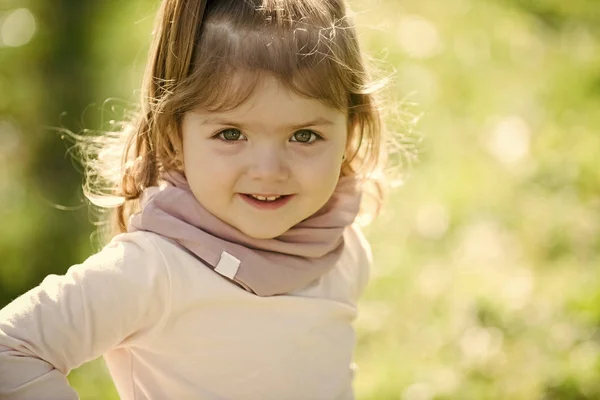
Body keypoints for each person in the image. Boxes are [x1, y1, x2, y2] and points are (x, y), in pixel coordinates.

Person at [0, 0, 392, 398]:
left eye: (304, 135)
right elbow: (10, 348)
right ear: (174, 134)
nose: (268, 170)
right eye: (231, 134)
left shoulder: (341, 250)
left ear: (350, 130)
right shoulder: (153, 272)